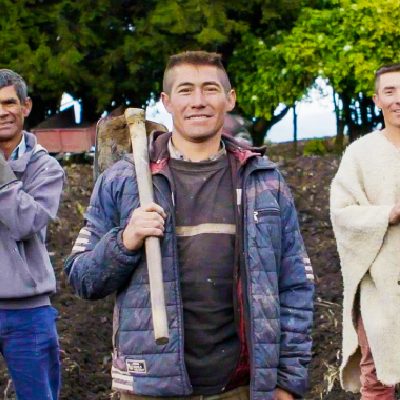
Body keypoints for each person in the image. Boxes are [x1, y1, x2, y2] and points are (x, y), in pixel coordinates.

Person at [65, 51, 314, 400]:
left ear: (230, 99)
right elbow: (82, 277)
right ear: (166, 102)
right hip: (150, 388)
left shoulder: (263, 181)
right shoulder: (124, 180)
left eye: (210, 89)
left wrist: (287, 381)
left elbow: (296, 284)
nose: (198, 101)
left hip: (240, 386)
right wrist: (125, 240)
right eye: (185, 90)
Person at [330, 63, 400, 399]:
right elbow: (342, 213)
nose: (398, 99)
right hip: (380, 284)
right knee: (377, 377)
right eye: (390, 91)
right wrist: (388, 214)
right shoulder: (360, 154)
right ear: (377, 100)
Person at [0, 69, 64, 399]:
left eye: (8, 103)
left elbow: (26, 222)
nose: (1, 112)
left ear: (25, 106)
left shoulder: (45, 168)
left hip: (27, 313)